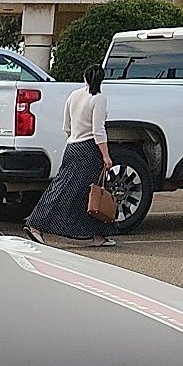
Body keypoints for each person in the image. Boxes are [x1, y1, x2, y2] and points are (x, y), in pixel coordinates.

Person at [25, 65, 115, 247]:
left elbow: (66, 126)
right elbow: (98, 130)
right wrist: (106, 155)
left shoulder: (74, 95)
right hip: (89, 149)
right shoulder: (99, 98)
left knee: (63, 188)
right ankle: (37, 225)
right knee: (91, 192)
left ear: (85, 77)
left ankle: (37, 223)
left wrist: (73, 138)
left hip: (72, 147)